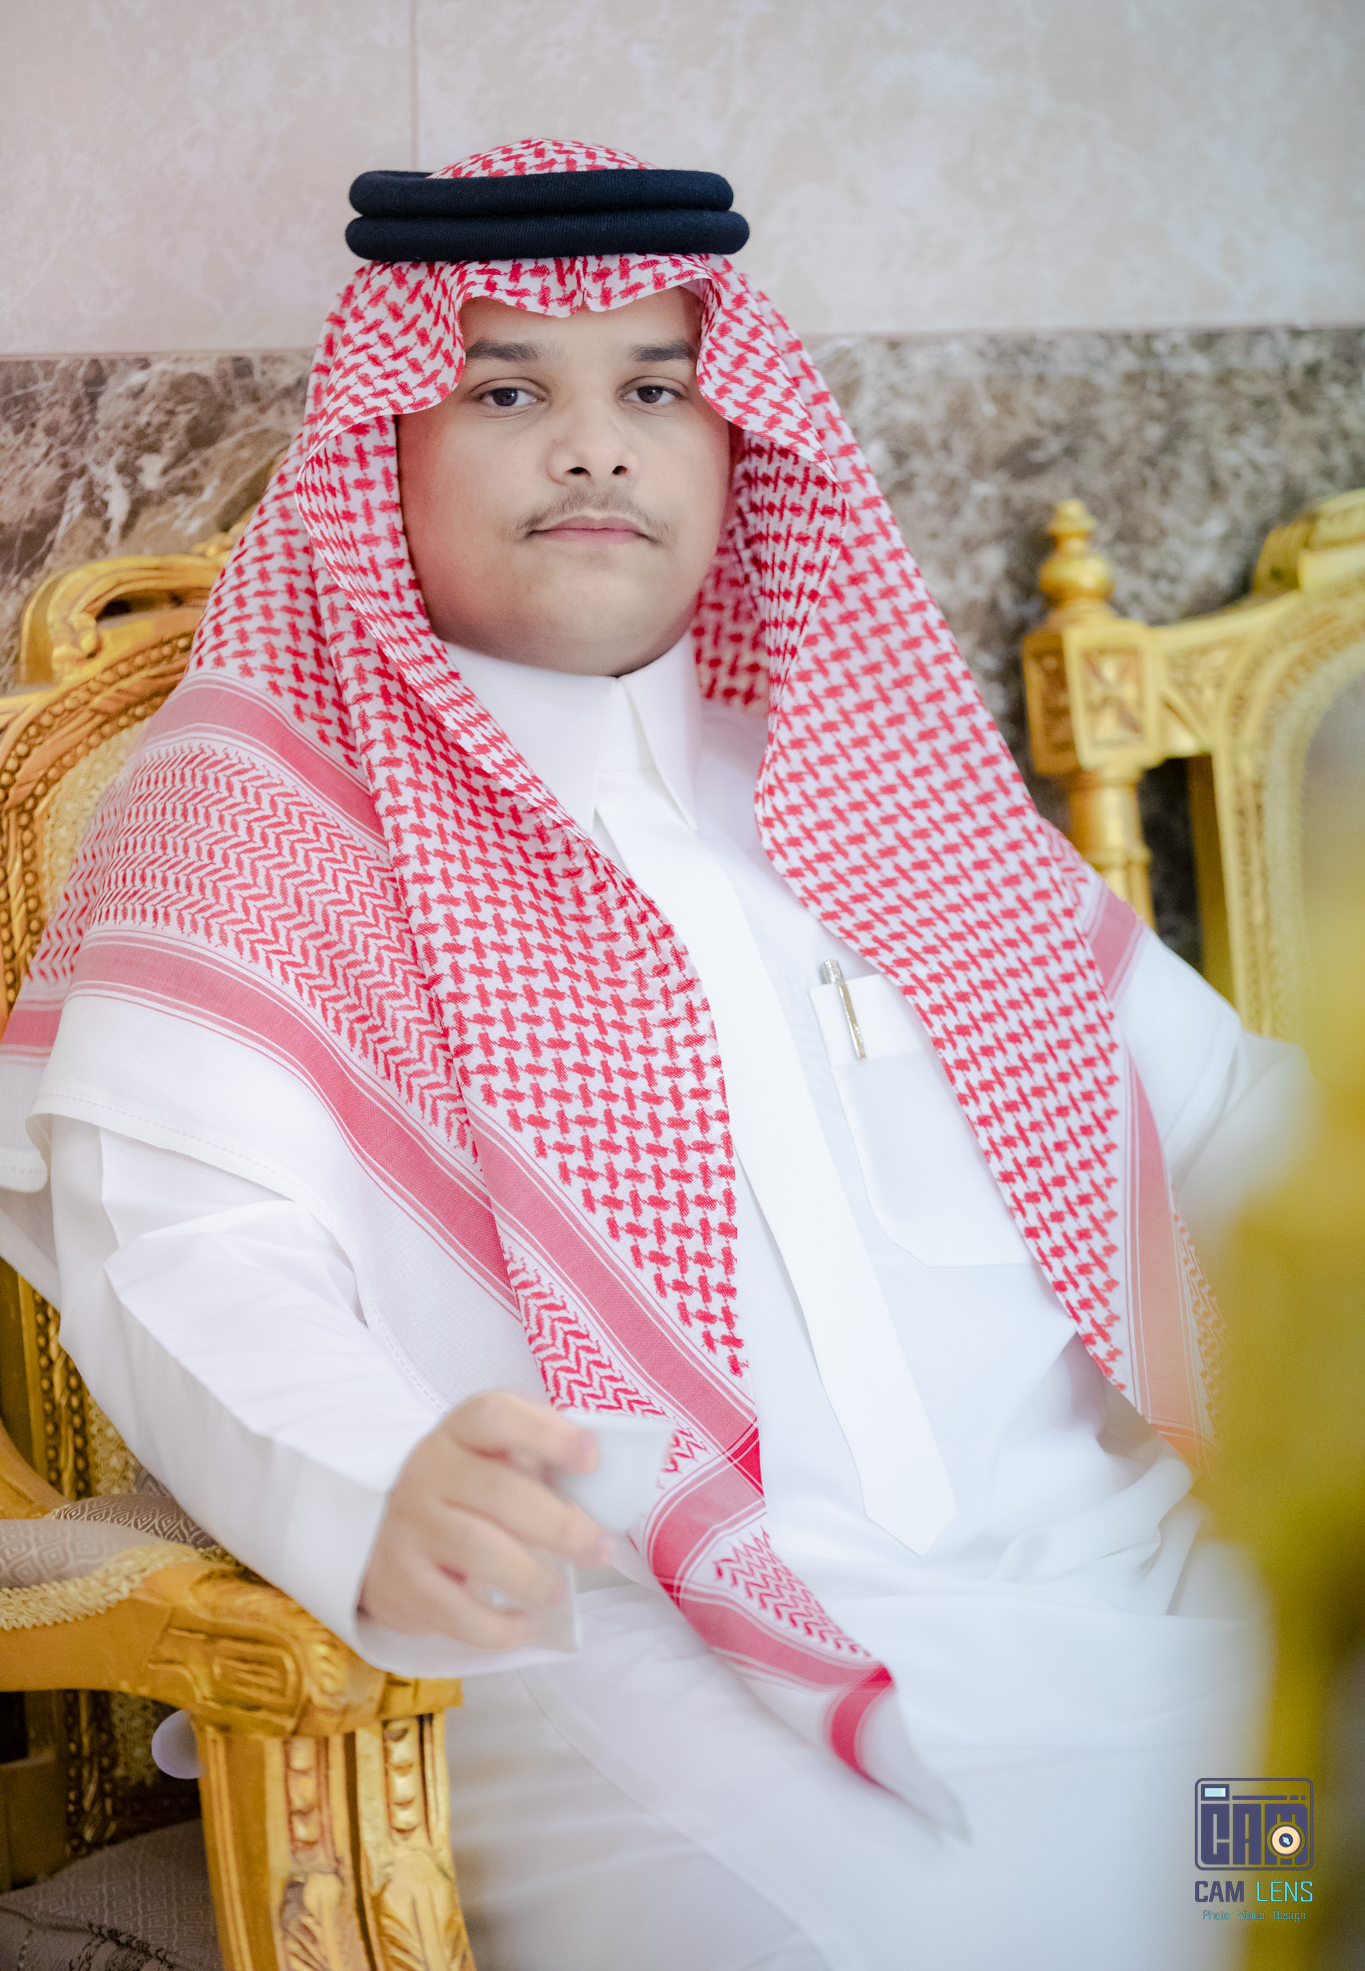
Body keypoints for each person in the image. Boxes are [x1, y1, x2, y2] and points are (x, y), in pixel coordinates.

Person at [0, 142, 1305, 1971]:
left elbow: (1242, 1124)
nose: (592, 446)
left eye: (655, 389)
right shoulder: (259, 829)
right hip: (618, 1643)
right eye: (506, 392)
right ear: (382, 449)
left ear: (735, 438)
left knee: (1286, 1882)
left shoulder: (881, 782)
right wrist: (378, 1478)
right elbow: (193, 1258)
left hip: (1120, 1588)